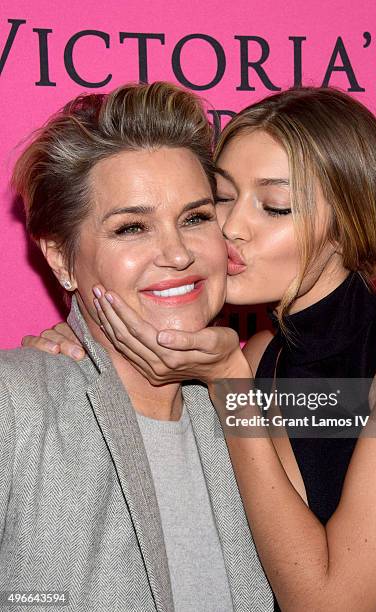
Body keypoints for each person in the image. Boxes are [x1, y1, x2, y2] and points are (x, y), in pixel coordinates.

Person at [24, 88, 376, 611]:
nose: (231, 229)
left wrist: (230, 384)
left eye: (274, 207)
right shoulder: (258, 356)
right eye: (221, 200)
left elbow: (332, 604)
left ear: (348, 226)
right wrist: (79, 346)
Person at [2, 82, 273, 612]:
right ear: (61, 259)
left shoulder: (259, 397)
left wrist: (234, 385)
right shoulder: (14, 405)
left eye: (196, 218)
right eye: (132, 228)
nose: (176, 254)